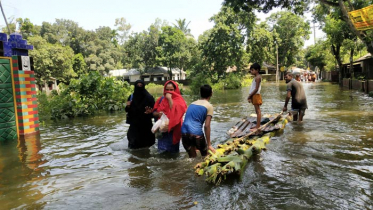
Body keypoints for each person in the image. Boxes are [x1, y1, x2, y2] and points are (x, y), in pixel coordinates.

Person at [151, 80, 187, 153]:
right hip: (162, 130)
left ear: (175, 90)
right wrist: (158, 114)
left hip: (174, 130)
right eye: (167, 90)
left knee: (173, 153)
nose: (169, 91)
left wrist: (169, 98)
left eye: (171, 90)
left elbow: (175, 112)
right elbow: (153, 112)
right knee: (161, 152)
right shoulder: (161, 99)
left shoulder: (179, 100)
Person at [181, 85, 216, 158]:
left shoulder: (192, 104)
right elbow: (206, 126)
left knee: (192, 157)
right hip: (196, 133)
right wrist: (209, 145)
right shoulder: (209, 106)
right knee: (205, 157)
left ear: (200, 93)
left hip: (184, 132)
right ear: (211, 94)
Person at [125, 80, 156, 149]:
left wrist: (150, 112)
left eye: (140, 85)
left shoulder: (149, 98)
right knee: (132, 144)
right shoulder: (131, 97)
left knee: (147, 146)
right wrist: (128, 106)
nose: (139, 87)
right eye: (137, 85)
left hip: (146, 125)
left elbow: (154, 113)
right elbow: (127, 110)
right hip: (134, 125)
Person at [247, 63, 262, 131]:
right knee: (257, 111)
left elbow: (256, 89)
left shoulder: (258, 77)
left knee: (258, 111)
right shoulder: (256, 77)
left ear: (257, 70)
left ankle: (258, 126)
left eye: (252, 70)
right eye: (251, 70)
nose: (251, 71)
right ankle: (257, 125)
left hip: (256, 95)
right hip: (254, 95)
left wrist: (250, 96)